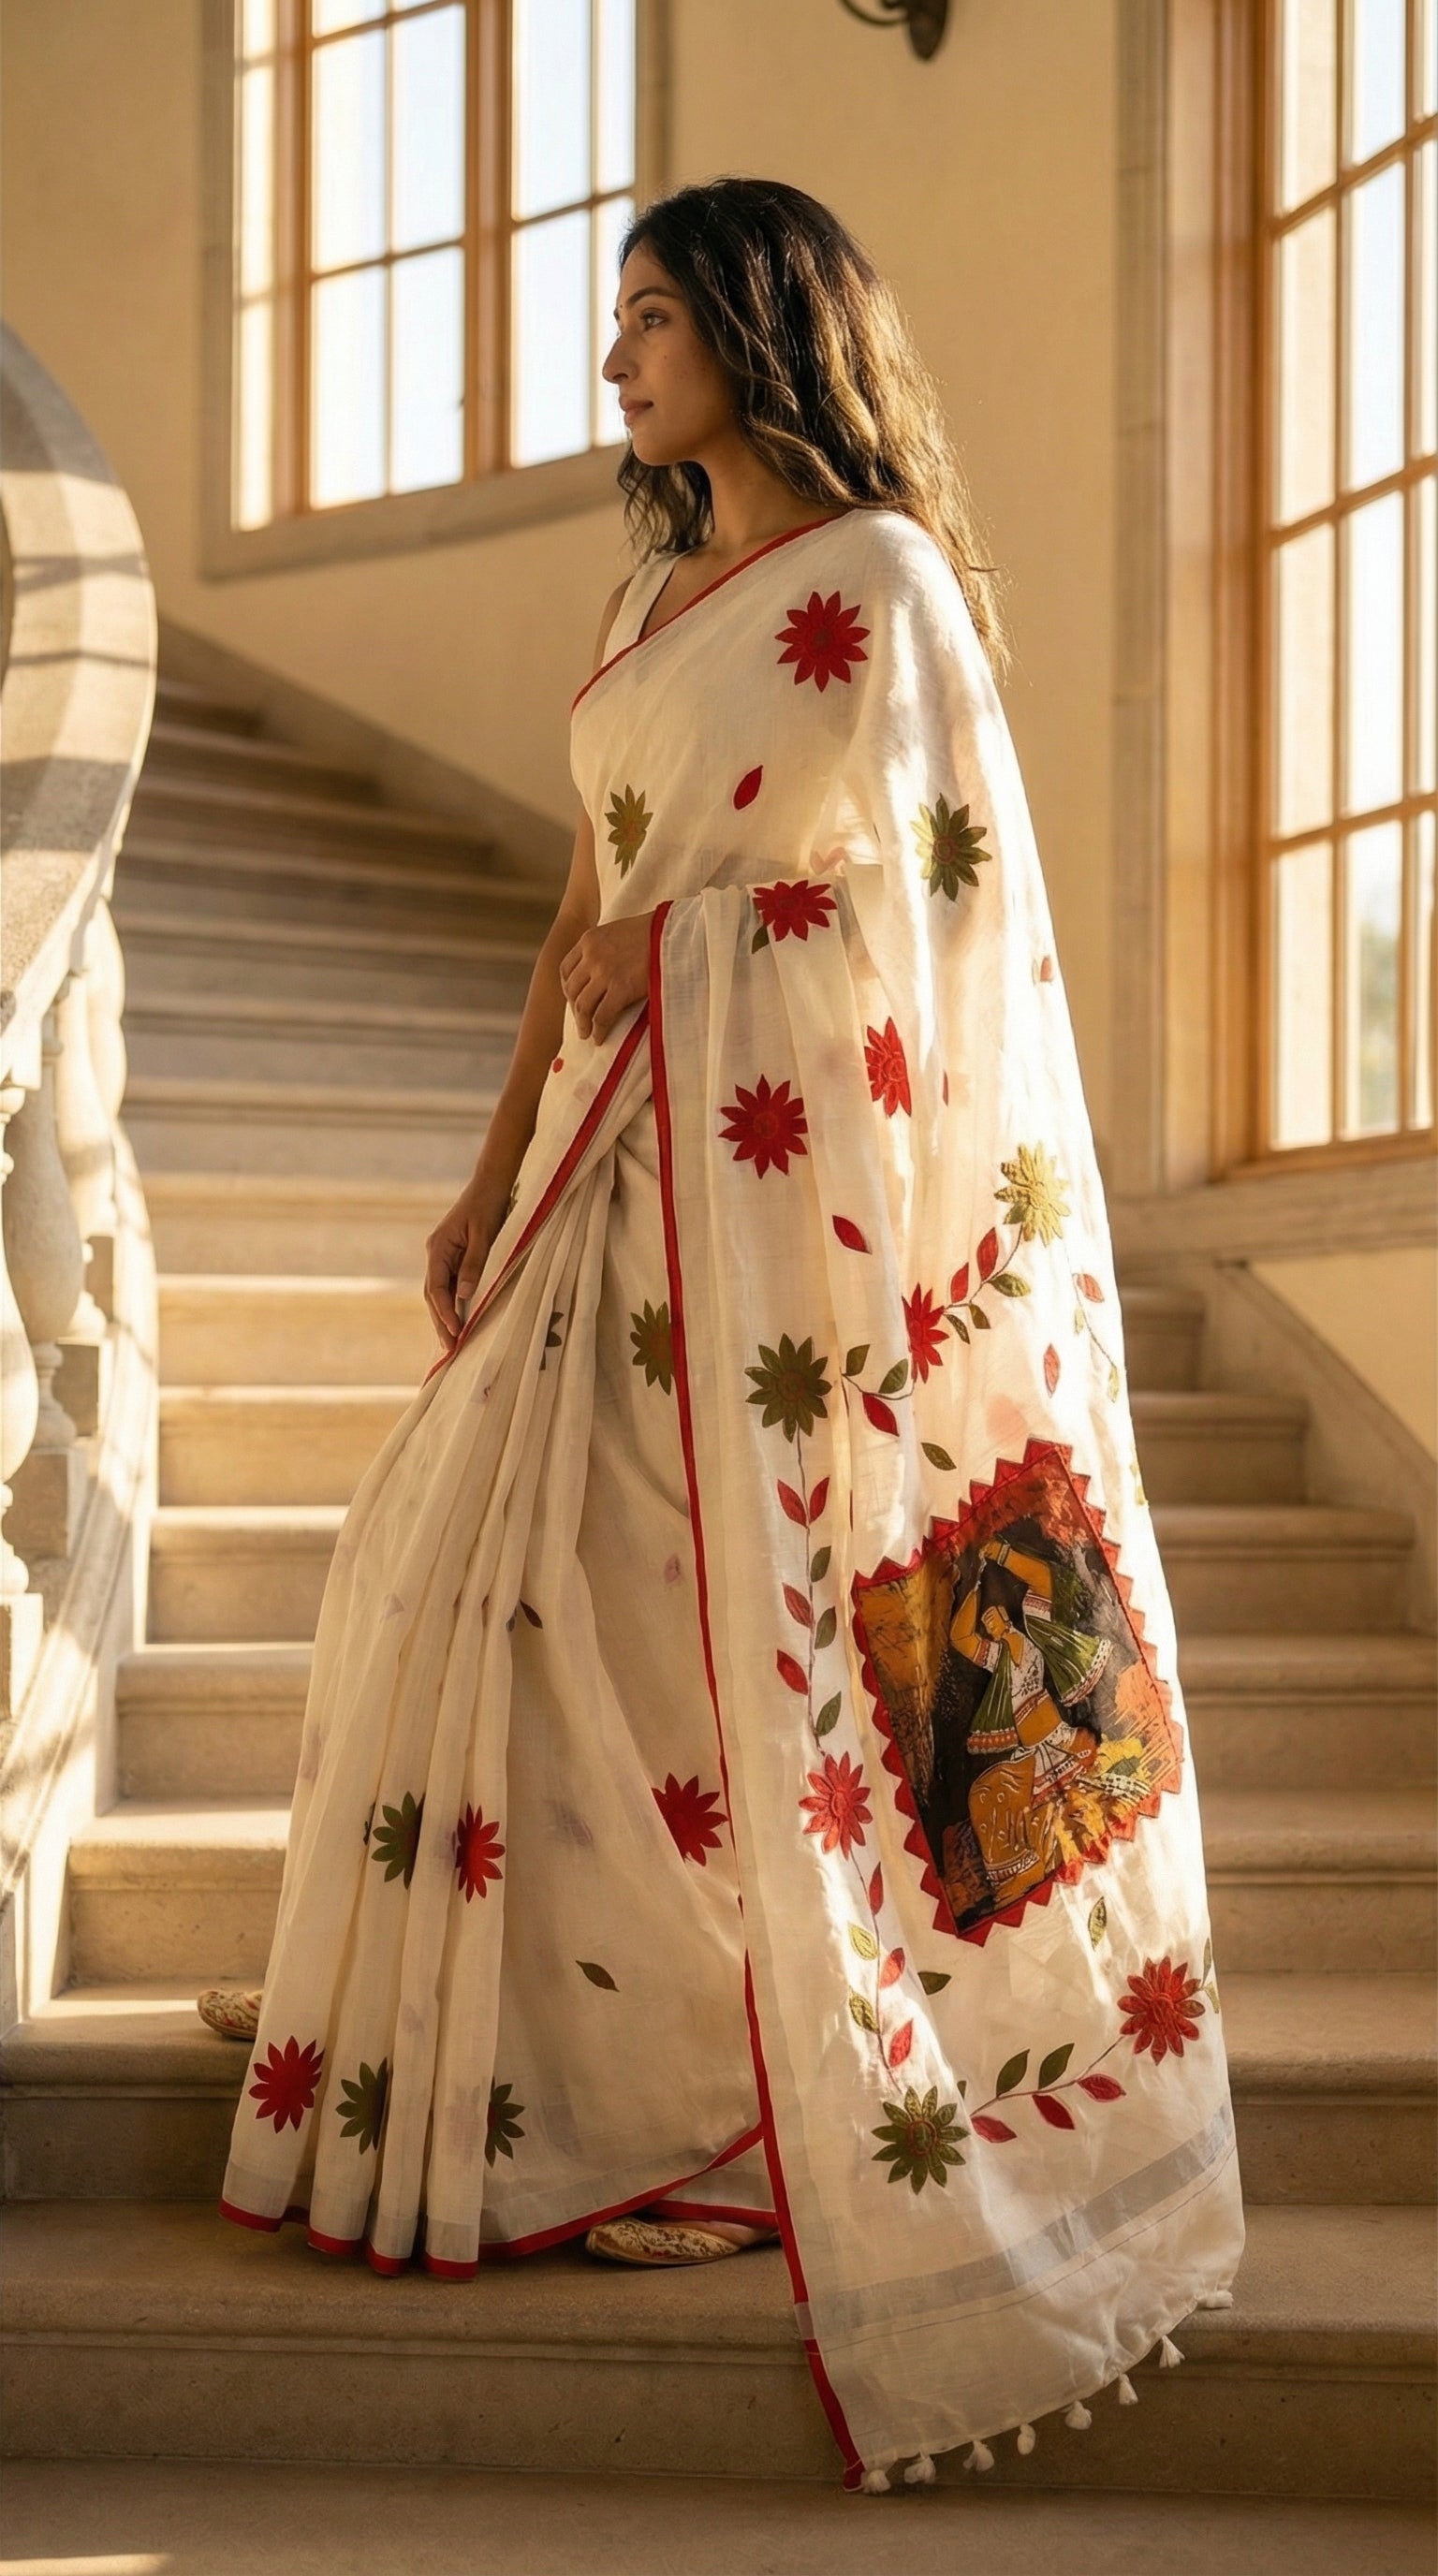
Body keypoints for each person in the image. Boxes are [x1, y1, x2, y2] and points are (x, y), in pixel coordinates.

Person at [210, 178, 1243, 2490]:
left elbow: (946, 924)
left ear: (762, 327)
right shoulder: (652, 586)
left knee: (685, 1640)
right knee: (438, 1552)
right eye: (617, 324)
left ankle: (697, 2104)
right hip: (601, 1162)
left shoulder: (871, 587)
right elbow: (590, 893)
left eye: (650, 319)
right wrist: (485, 1174)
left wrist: (689, 963)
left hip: (765, 1202)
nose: (616, 368)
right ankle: (435, 2018)